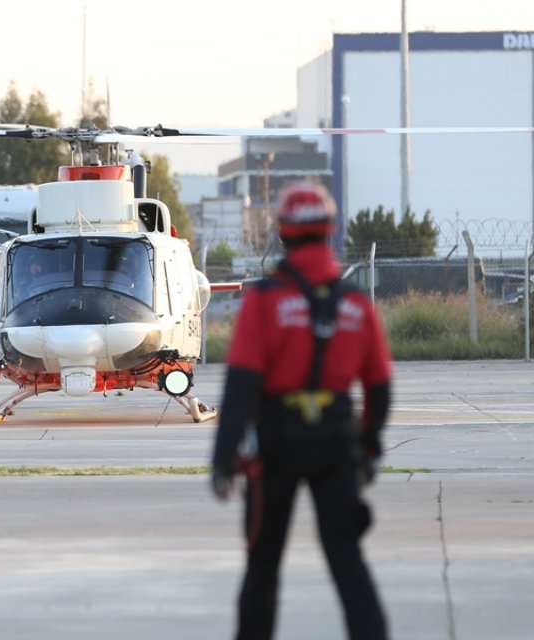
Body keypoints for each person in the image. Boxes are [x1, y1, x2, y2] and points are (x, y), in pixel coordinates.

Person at [211, 182, 393, 640]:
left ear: (285, 233)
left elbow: (240, 386)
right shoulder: (356, 304)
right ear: (330, 232)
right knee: (348, 565)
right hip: (336, 442)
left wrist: (223, 459)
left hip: (277, 443)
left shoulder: (266, 300)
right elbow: (380, 388)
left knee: (263, 568)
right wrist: (368, 447)